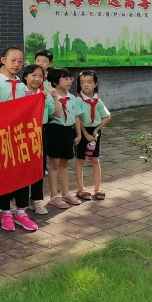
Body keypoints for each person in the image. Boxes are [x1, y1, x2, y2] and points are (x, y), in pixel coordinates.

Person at [0, 47, 39, 232]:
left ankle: (21, 211)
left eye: (20, 61)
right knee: (5, 174)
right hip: (3, 135)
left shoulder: (21, 85)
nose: (17, 64)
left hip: (20, 136)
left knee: (22, 172)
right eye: (13, 60)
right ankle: (5, 212)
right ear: (3, 60)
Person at [21, 64, 62, 216]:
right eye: (33, 75)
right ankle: (20, 201)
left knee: (38, 166)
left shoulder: (44, 94)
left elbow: (57, 114)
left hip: (39, 132)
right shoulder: (19, 92)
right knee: (22, 167)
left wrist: (54, 97)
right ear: (25, 76)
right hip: (22, 133)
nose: (37, 79)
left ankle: (36, 199)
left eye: (40, 76)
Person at [44, 67, 84, 210]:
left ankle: (66, 193)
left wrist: (78, 134)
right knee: (54, 164)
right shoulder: (49, 97)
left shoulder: (73, 98)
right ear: (55, 82)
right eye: (65, 78)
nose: (69, 81)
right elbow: (53, 114)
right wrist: (55, 97)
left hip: (68, 131)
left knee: (65, 163)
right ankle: (54, 196)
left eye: (70, 78)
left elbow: (76, 117)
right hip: (54, 130)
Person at [75, 70, 111, 201]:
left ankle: (98, 189)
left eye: (89, 82)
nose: (86, 85)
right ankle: (81, 189)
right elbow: (77, 118)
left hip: (95, 133)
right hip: (81, 131)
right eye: (82, 82)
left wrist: (96, 130)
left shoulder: (97, 101)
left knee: (95, 159)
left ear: (95, 84)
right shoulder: (78, 100)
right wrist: (85, 134)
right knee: (80, 160)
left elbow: (107, 117)